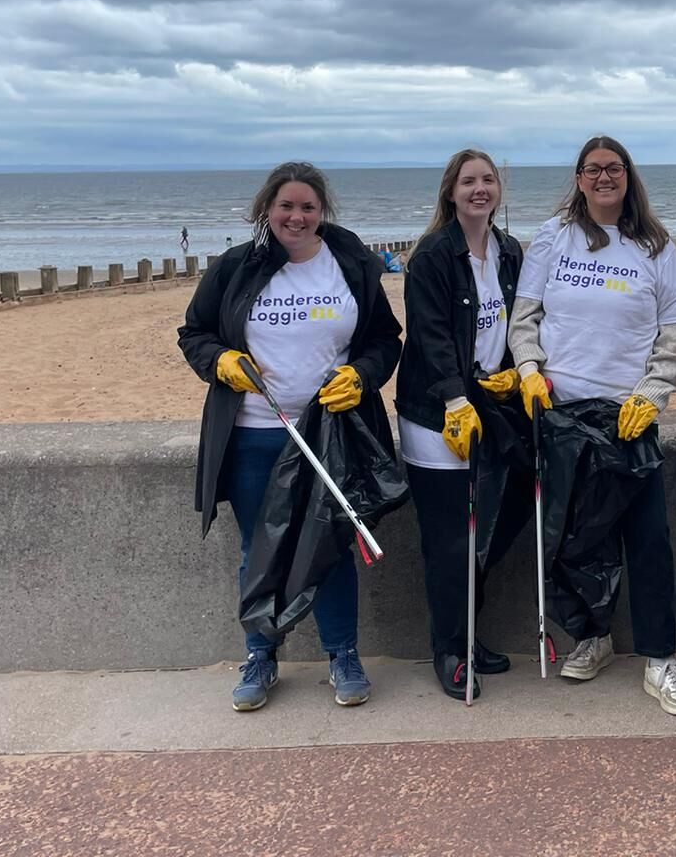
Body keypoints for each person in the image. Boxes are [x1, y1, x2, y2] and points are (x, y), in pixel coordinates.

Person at [178, 161, 401, 712]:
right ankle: (260, 655)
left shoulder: (350, 264)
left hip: (333, 435)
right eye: (286, 206)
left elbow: (384, 340)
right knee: (259, 548)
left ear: (322, 212)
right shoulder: (234, 267)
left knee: (332, 546)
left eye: (308, 207)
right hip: (255, 433)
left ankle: (342, 654)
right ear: (266, 210)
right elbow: (194, 334)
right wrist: (220, 361)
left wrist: (363, 376)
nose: (297, 216)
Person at [506, 136, 676, 716]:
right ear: (580, 178)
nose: (603, 178)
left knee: (647, 541)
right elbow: (526, 317)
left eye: (613, 168)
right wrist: (530, 370)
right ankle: (592, 635)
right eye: (593, 169)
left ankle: (661, 658)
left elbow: (674, 329)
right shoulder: (552, 237)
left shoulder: (657, 245)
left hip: (627, 415)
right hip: (561, 414)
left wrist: (653, 393)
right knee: (574, 538)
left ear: (627, 175)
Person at [394, 149, 529, 701]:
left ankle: (470, 634)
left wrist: (516, 373)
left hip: (493, 406)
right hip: (436, 414)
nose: (480, 189)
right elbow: (429, 335)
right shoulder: (432, 255)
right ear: (451, 191)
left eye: (488, 179)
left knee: (495, 524)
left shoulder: (510, 251)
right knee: (450, 539)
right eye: (469, 181)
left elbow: (520, 320)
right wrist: (454, 399)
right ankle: (449, 648)